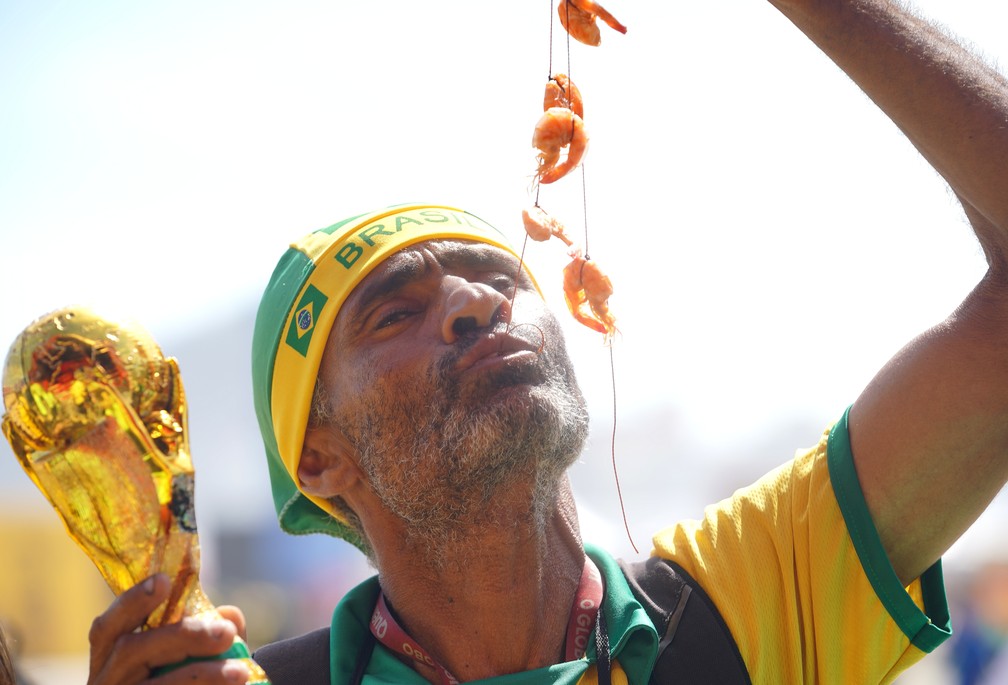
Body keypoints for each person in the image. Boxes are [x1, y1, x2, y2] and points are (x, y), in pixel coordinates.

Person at [84, 0, 1008, 683]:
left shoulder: (752, 594)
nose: (476, 306)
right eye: (393, 313)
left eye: (502, 278)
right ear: (319, 458)